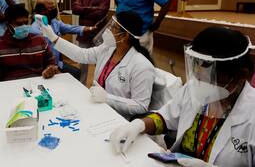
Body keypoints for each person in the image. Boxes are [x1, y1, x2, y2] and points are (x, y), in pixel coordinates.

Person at [109, 27, 255, 167]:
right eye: (196, 68)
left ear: (241, 76)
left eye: (210, 78)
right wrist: (139, 125)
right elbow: (164, 119)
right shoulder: (195, 89)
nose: (199, 81)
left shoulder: (251, 115)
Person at [40, 11, 155, 119]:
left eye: (113, 27)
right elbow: (81, 55)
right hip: (97, 109)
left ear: (124, 36)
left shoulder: (142, 66)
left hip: (118, 118)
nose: (108, 30)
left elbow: (140, 106)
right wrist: (53, 38)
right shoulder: (107, 49)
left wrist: (107, 98)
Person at [0, 5, 58, 83]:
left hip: (39, 85)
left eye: (26, 23)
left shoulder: (40, 41)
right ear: (8, 25)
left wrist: (50, 69)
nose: (24, 26)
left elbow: (50, 63)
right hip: (10, 88)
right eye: (19, 24)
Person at [30, 0, 96, 80]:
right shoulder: (35, 30)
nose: (54, 10)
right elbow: (38, 58)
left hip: (58, 63)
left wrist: (90, 28)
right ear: (42, 11)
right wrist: (51, 69)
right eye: (51, 8)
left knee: (77, 73)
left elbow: (69, 28)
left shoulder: (53, 22)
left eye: (54, 7)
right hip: (45, 67)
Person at [72, 0, 111, 85]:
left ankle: (98, 87)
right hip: (84, 36)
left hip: (99, 37)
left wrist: (83, 10)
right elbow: (75, 10)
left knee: (100, 64)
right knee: (82, 64)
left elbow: (100, 14)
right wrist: (92, 8)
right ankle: (81, 87)